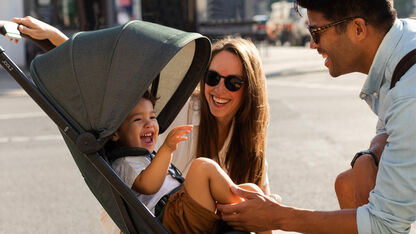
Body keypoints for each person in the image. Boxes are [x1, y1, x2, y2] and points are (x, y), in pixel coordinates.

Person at [11, 16, 271, 195]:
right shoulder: (185, 109)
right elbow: (115, 82)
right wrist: (55, 38)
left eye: (233, 83)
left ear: (251, 90)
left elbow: (262, 208)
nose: (219, 90)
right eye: (212, 78)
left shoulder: (248, 144)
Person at [218, 0, 416, 233]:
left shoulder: (408, 95)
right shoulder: (403, 41)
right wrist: (368, 156)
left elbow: (386, 225)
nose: (312, 44)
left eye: (316, 32)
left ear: (358, 29)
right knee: (349, 182)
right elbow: (390, 130)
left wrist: (278, 217)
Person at [106, 90, 265, 233]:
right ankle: (244, 210)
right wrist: (166, 149)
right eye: (138, 119)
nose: (149, 123)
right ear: (115, 134)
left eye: (152, 116)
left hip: (180, 210)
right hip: (168, 219)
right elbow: (149, 185)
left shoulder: (145, 156)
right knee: (202, 167)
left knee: (251, 189)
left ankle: (249, 211)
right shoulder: (123, 162)